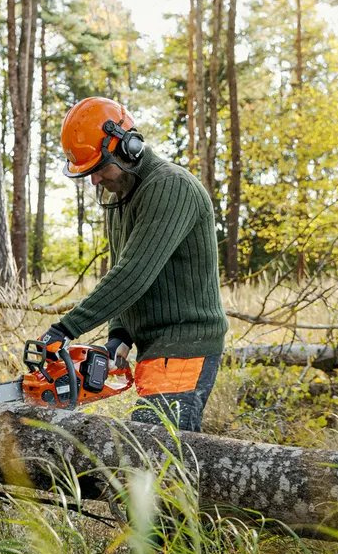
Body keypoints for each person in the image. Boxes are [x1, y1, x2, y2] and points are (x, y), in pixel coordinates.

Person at [37, 97, 227, 432]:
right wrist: (119, 334)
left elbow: (134, 275)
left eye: (99, 168)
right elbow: (121, 271)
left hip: (186, 344)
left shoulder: (170, 186)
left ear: (129, 146)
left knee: (151, 449)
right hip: (156, 348)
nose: (94, 181)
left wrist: (65, 329)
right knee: (152, 454)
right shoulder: (120, 200)